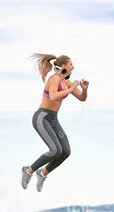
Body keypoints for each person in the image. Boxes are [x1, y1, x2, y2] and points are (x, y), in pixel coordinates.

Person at [20, 54, 89, 192]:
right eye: (71, 64)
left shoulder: (66, 82)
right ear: (63, 66)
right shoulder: (54, 79)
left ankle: (42, 173)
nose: (73, 67)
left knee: (65, 152)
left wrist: (85, 89)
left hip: (53, 119)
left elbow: (82, 98)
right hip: (42, 117)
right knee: (56, 150)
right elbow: (53, 96)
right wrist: (70, 89)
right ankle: (28, 171)